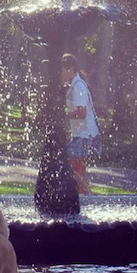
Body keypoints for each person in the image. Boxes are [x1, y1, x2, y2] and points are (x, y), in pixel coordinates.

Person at [61, 53, 101, 195]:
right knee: (78, 168)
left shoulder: (78, 87)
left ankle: (88, 194)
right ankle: (84, 196)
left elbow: (82, 113)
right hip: (83, 134)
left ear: (70, 69)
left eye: (61, 70)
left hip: (85, 135)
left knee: (69, 165)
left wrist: (63, 115)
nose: (60, 73)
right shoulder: (75, 85)